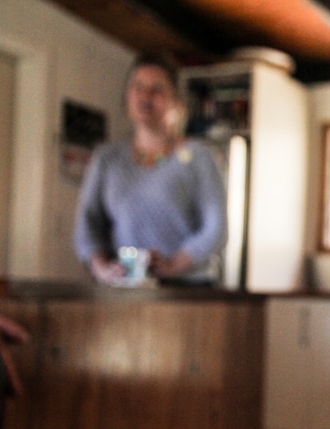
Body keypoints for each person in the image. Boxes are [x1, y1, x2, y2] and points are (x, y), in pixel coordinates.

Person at [73, 52, 227, 286]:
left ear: (175, 101)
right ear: (127, 96)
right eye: (138, 87)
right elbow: (87, 226)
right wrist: (102, 269)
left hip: (188, 289)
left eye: (157, 89)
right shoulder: (107, 158)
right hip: (123, 287)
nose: (145, 96)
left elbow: (216, 228)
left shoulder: (198, 158)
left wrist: (174, 265)